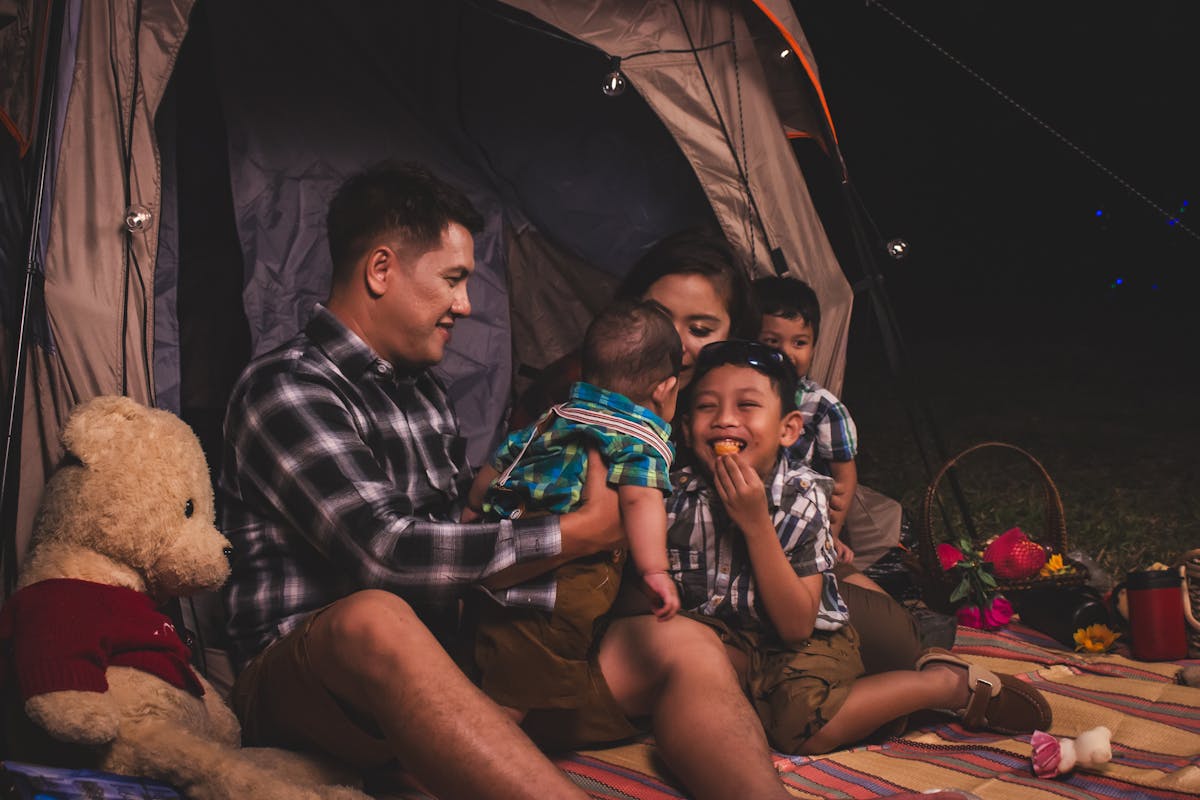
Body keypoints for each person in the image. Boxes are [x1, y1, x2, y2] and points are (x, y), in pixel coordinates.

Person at [219, 161, 795, 800]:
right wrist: (575, 532)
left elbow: (465, 516)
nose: (466, 305)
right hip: (315, 683)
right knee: (376, 618)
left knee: (679, 644)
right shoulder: (288, 387)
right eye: (453, 280)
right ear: (381, 270)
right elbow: (385, 553)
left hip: (458, 661)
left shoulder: (421, 386)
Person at [666, 339, 1052, 755]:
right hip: (733, 638)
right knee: (694, 694)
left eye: (746, 406)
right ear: (687, 428)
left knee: (803, 728)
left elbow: (796, 624)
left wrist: (756, 524)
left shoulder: (803, 495)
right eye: (707, 407)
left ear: (788, 429)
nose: (725, 420)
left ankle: (942, 683)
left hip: (804, 641)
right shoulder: (675, 494)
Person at [465, 298, 681, 725]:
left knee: (489, 659)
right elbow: (641, 497)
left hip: (504, 545)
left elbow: (501, 459)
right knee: (517, 692)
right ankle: (461, 765)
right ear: (664, 388)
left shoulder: (556, 415)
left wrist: (474, 511)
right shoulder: (641, 435)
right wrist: (655, 569)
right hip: (562, 580)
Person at [510, 226, 758, 429]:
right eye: (658, 317)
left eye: (700, 330)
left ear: (733, 334)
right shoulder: (570, 390)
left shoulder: (739, 411)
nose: (673, 345)